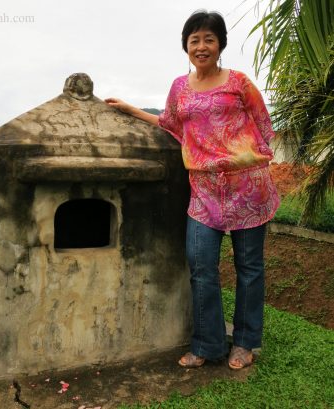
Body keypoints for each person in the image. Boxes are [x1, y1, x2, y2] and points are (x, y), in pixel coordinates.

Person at [105, 10, 279, 370]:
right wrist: (129, 109)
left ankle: (245, 343)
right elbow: (169, 122)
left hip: (248, 188)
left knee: (249, 267)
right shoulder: (179, 88)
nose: (201, 46)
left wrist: (252, 160)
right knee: (201, 265)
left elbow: (264, 123)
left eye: (209, 39)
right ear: (186, 45)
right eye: (194, 40)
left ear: (220, 45)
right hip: (203, 191)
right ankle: (208, 344)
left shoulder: (240, 82)